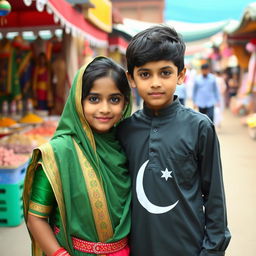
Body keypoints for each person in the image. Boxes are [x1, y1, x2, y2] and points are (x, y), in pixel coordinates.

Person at [117, 25, 231, 256]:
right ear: (131, 78)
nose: (156, 82)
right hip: (139, 249)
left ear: (181, 75)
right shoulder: (125, 130)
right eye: (145, 74)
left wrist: (212, 250)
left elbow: (214, 196)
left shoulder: (199, 127)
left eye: (165, 72)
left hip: (189, 248)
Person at [23, 56, 132, 256]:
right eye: (94, 99)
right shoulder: (57, 153)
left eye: (114, 99)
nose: (105, 108)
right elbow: (35, 218)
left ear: (126, 102)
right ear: (77, 100)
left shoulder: (128, 145)